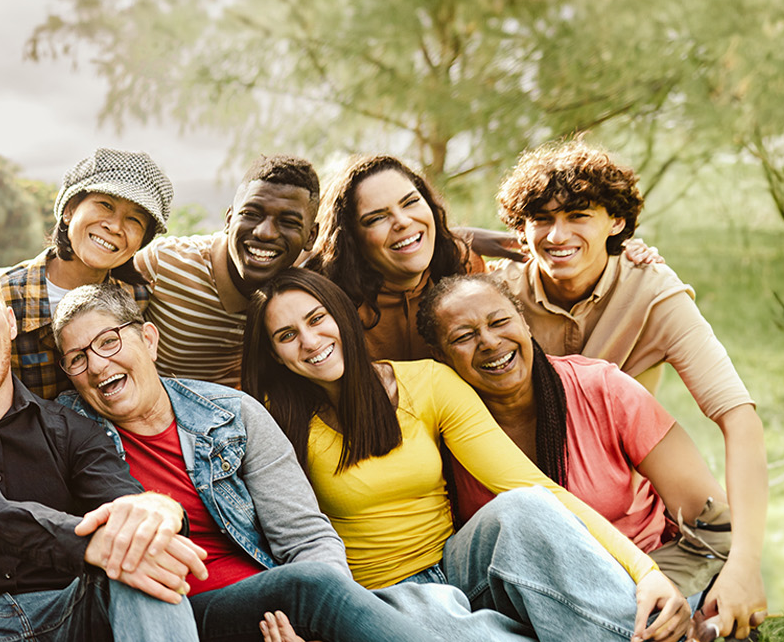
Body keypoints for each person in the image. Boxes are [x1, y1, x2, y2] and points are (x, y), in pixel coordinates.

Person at [242, 268, 689, 641]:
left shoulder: (428, 383)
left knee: (524, 506)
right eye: (287, 335)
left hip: (459, 564)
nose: (309, 339)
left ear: (340, 314)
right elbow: (288, 539)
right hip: (383, 597)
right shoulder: (275, 424)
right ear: (277, 356)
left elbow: (532, 485)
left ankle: (659, 627)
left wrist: (644, 568)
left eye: (317, 318)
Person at [51, 283, 441, 642]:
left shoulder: (231, 414)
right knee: (311, 587)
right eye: (77, 359)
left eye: (108, 342)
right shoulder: (66, 431)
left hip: (267, 603)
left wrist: (316, 627)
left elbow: (306, 536)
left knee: (316, 583)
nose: (98, 366)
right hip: (170, 613)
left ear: (149, 340)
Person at [493, 140, 768, 639]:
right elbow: (425, 240)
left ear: (616, 222)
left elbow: (739, 417)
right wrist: (498, 243)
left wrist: (745, 564)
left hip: (633, 520)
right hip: (539, 516)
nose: (558, 235)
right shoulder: (496, 297)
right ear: (520, 228)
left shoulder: (652, 291)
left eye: (579, 215)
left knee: (664, 609)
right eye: (540, 219)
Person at [0, 244, 203, 641]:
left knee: (134, 564)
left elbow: (123, 503)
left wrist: (155, 509)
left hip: (71, 612)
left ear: (10, 323)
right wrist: (83, 544)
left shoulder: (72, 429)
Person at [416, 273, 741, 600]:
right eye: (464, 336)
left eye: (499, 321)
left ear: (525, 323)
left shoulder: (604, 390)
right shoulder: (436, 432)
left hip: (647, 577)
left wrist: (662, 592)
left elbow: (714, 522)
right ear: (441, 356)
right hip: (529, 600)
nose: (488, 341)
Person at [134, 154, 320, 388]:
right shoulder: (163, 264)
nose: (265, 233)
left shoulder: (307, 295)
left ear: (311, 236)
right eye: (251, 214)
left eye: (288, 221)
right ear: (229, 219)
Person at [1, 147, 173, 400]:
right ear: (69, 210)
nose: (114, 226)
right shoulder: (3, 296)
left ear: (142, 241)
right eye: (105, 205)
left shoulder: (136, 299)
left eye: (134, 220)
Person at [312, 155, 487, 362]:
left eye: (411, 202)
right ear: (351, 238)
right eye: (377, 218)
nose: (403, 222)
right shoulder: (326, 303)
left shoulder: (464, 262)